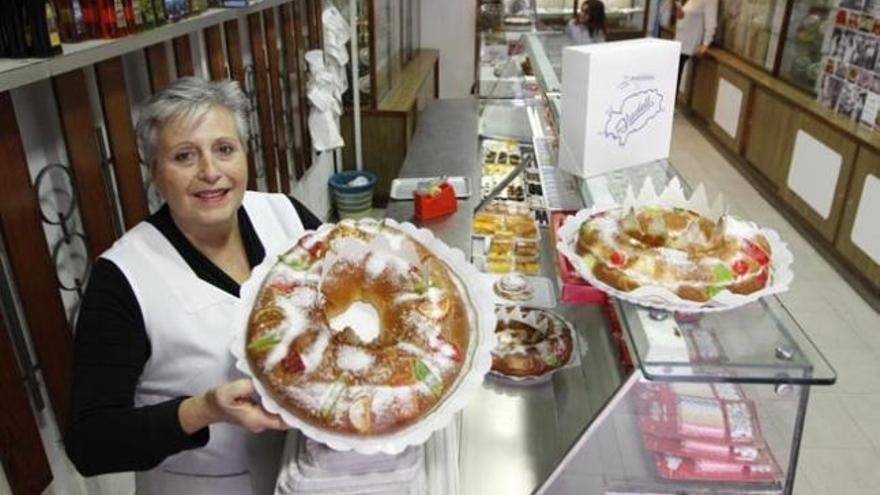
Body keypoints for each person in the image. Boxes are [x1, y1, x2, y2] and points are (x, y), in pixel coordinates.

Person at [64, 77, 322, 495]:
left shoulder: (286, 216)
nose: (210, 172)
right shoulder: (123, 278)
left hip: (309, 468)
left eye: (224, 149)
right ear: (155, 173)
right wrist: (200, 411)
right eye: (184, 156)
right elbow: (89, 443)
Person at [674, 0, 719, 92]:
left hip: (689, 44)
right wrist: (680, 11)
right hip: (679, 41)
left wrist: (706, 43)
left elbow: (711, 23)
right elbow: (685, 16)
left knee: (675, 78)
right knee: (673, 77)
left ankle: (670, 103)